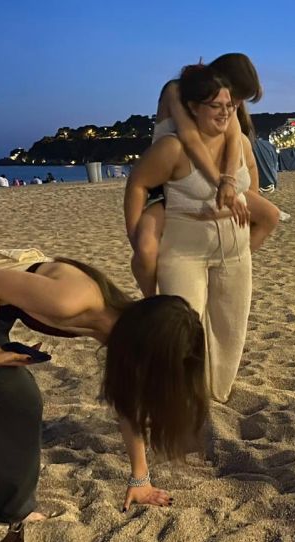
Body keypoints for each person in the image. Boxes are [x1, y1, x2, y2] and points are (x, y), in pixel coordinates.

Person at [0, 250, 209, 522]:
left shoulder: (118, 327)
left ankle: (7, 508)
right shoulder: (73, 300)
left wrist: (140, 478)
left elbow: (129, 402)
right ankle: (8, 509)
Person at [125, 65, 253, 403]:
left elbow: (249, 181)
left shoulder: (237, 140)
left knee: (230, 329)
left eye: (229, 105)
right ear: (193, 107)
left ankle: (216, 394)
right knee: (183, 328)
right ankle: (185, 396)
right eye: (215, 106)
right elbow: (137, 183)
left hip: (235, 251)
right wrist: (135, 233)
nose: (225, 112)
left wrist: (242, 202)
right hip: (185, 250)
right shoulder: (173, 146)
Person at [128, 53, 280, 299]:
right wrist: (221, 181)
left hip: (208, 183)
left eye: (238, 101)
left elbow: (235, 137)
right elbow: (190, 139)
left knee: (269, 215)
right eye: (236, 96)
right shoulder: (178, 91)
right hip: (168, 183)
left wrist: (232, 182)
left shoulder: (225, 103)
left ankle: (230, 263)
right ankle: (152, 300)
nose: (235, 104)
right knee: (145, 249)